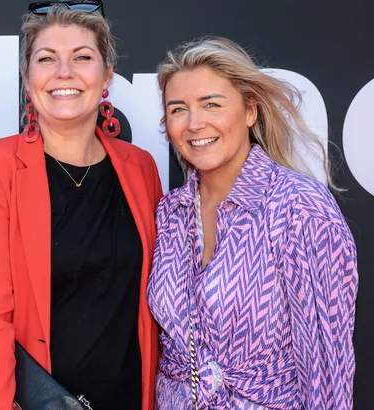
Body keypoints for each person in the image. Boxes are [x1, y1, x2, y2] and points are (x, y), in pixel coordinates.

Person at [0, 3, 162, 409]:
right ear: (27, 78)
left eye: (82, 57)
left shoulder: (140, 168)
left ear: (107, 76)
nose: (64, 72)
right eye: (47, 59)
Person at [148, 36, 358, 409]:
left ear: (250, 111)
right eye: (178, 109)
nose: (194, 123)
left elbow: (327, 374)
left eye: (211, 104)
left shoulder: (298, 208)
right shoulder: (170, 213)